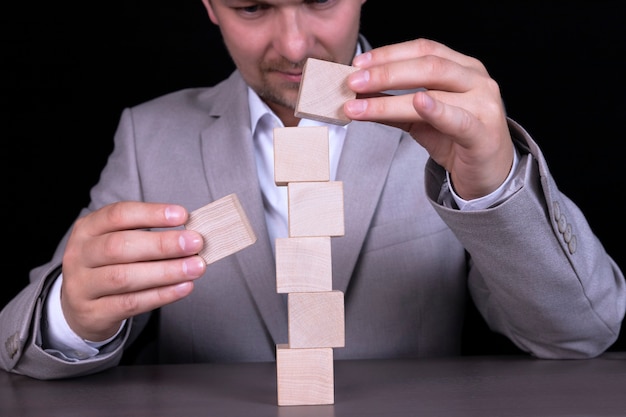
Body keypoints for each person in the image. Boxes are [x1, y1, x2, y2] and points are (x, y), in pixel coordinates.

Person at [1, 0, 624, 380]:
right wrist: (71, 314)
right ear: (210, 5)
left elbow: (579, 335)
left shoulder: (447, 124)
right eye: (252, 7)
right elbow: (18, 341)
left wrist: (495, 187)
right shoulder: (150, 136)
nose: (294, 46)